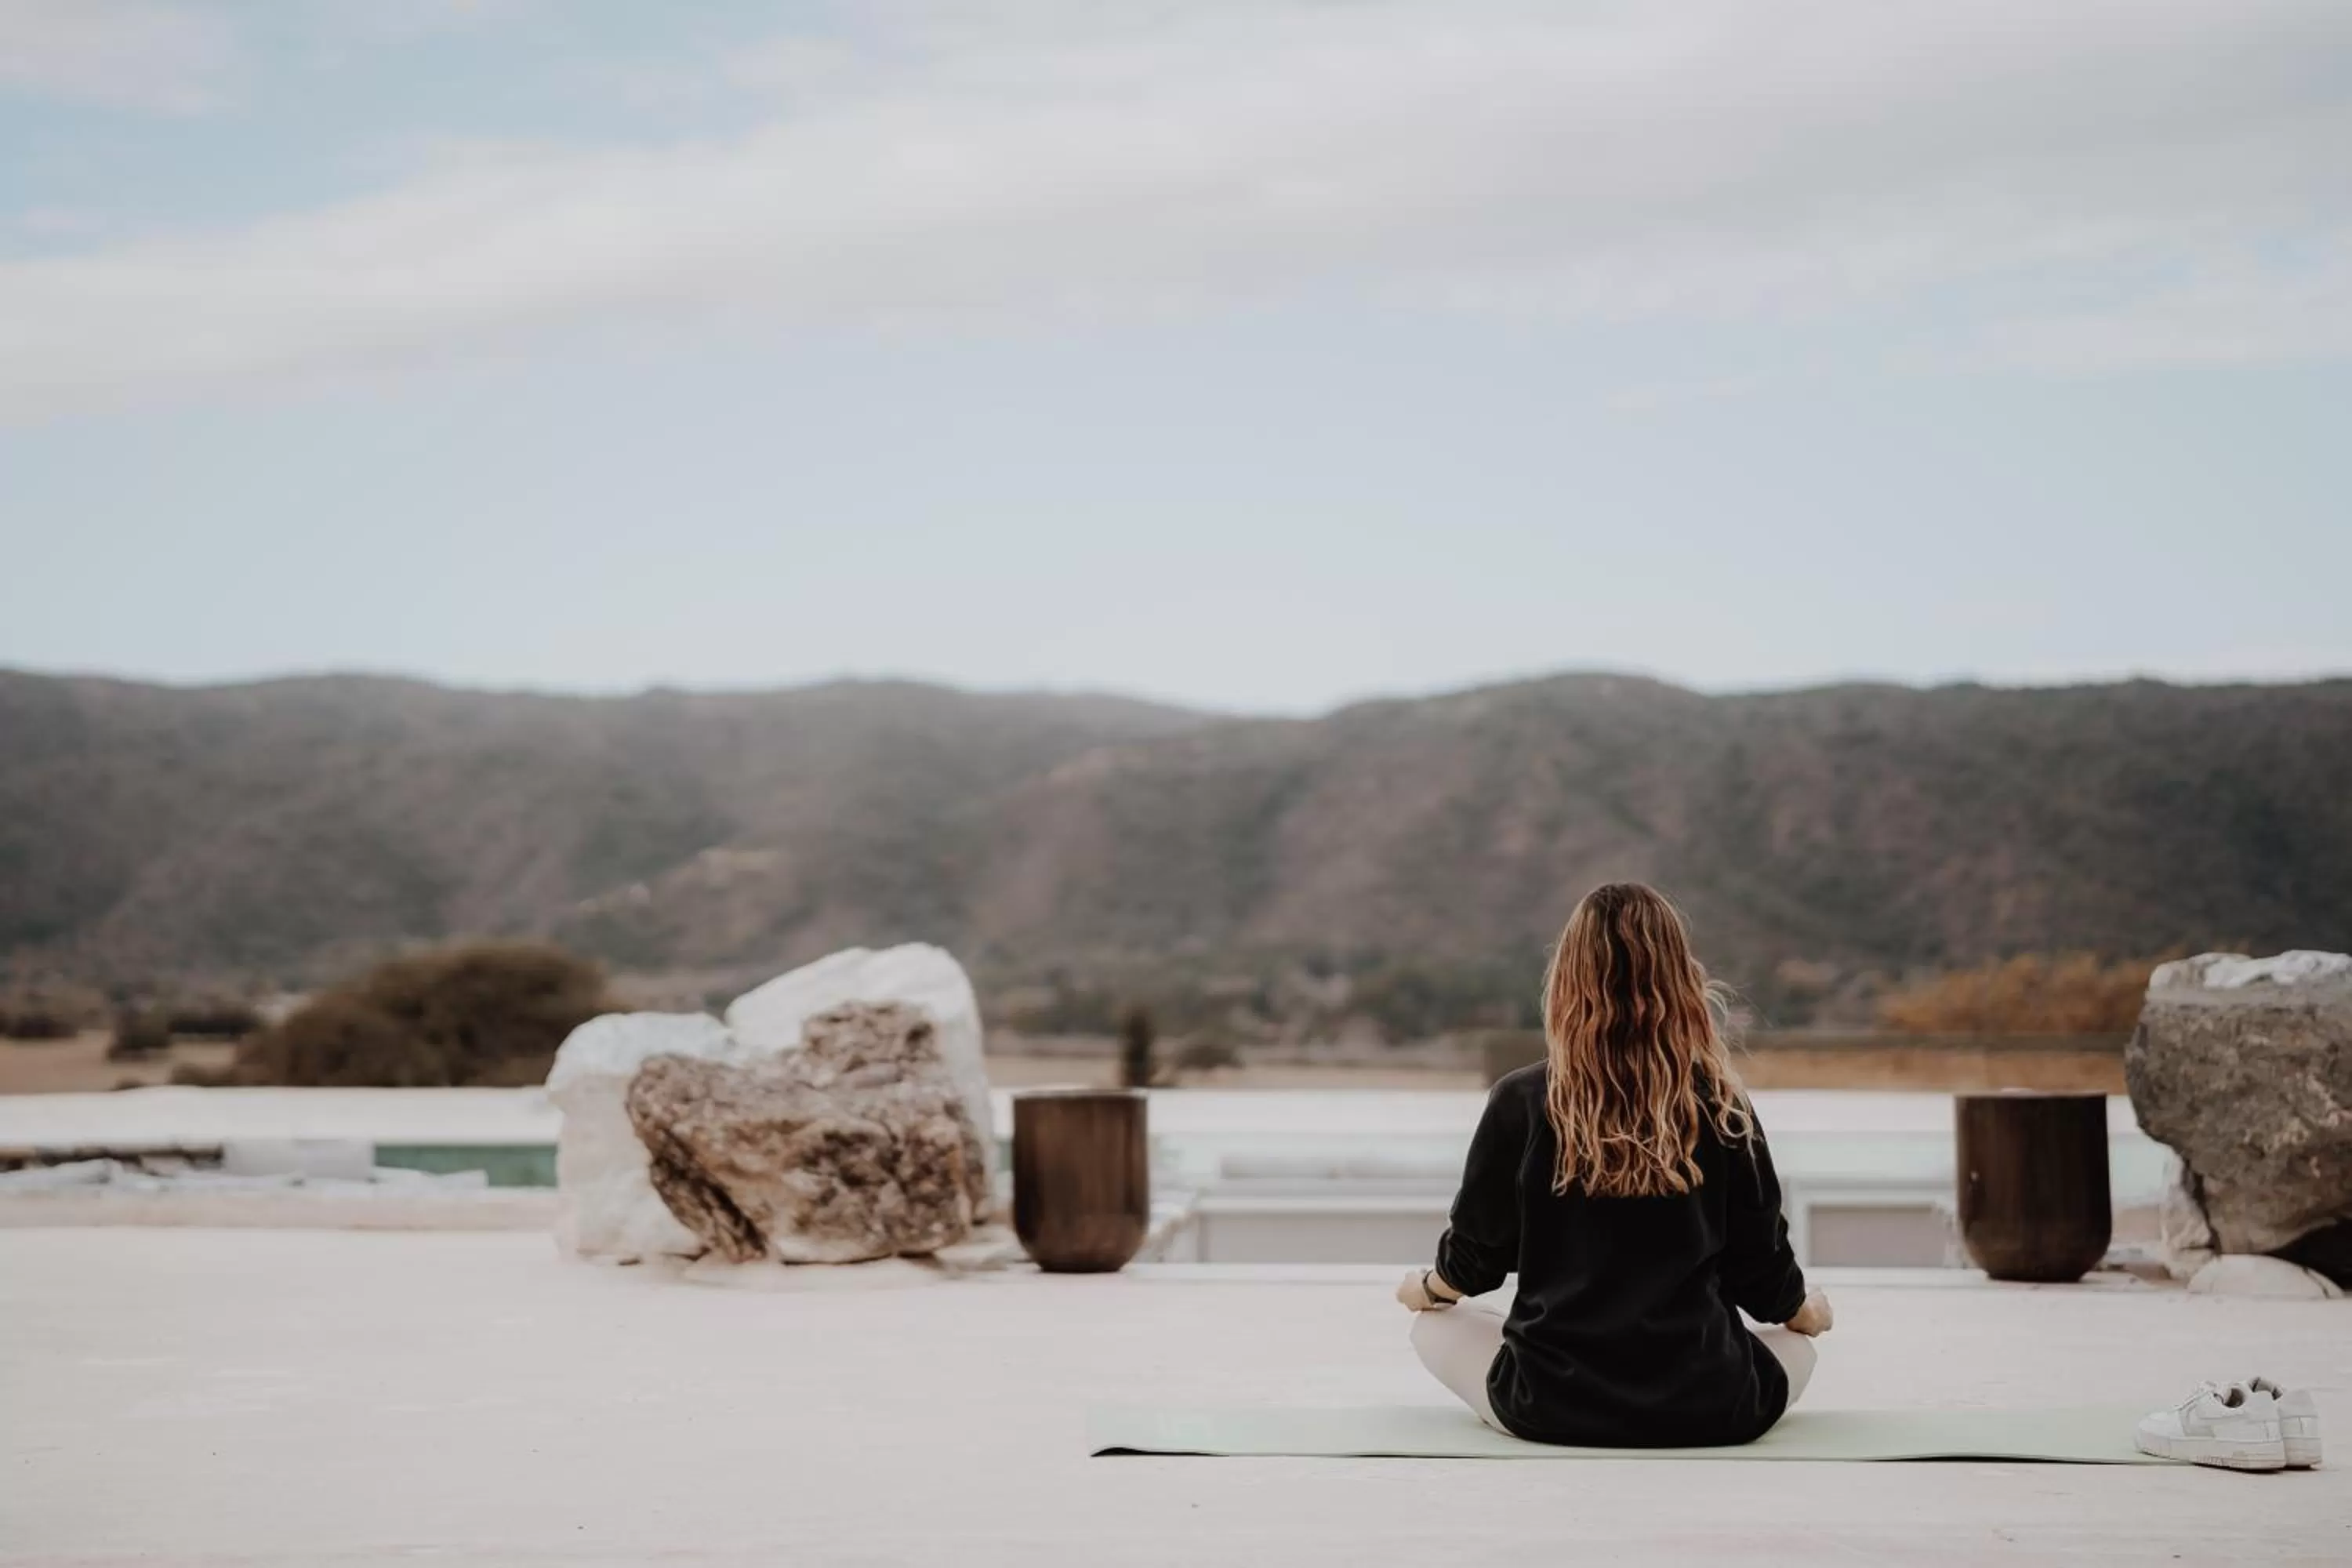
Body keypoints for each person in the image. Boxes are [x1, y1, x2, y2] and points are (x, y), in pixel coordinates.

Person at [1399, 882, 1832, 1446]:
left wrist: (1427, 1290)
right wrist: (1804, 1313)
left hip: (1552, 1405)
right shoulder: (1722, 1105)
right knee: (1796, 1347)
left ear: (1568, 980)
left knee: (1434, 1328)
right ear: (1681, 981)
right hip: (1709, 1406)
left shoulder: (1521, 1100)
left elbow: (1475, 1263)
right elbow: (1762, 1271)